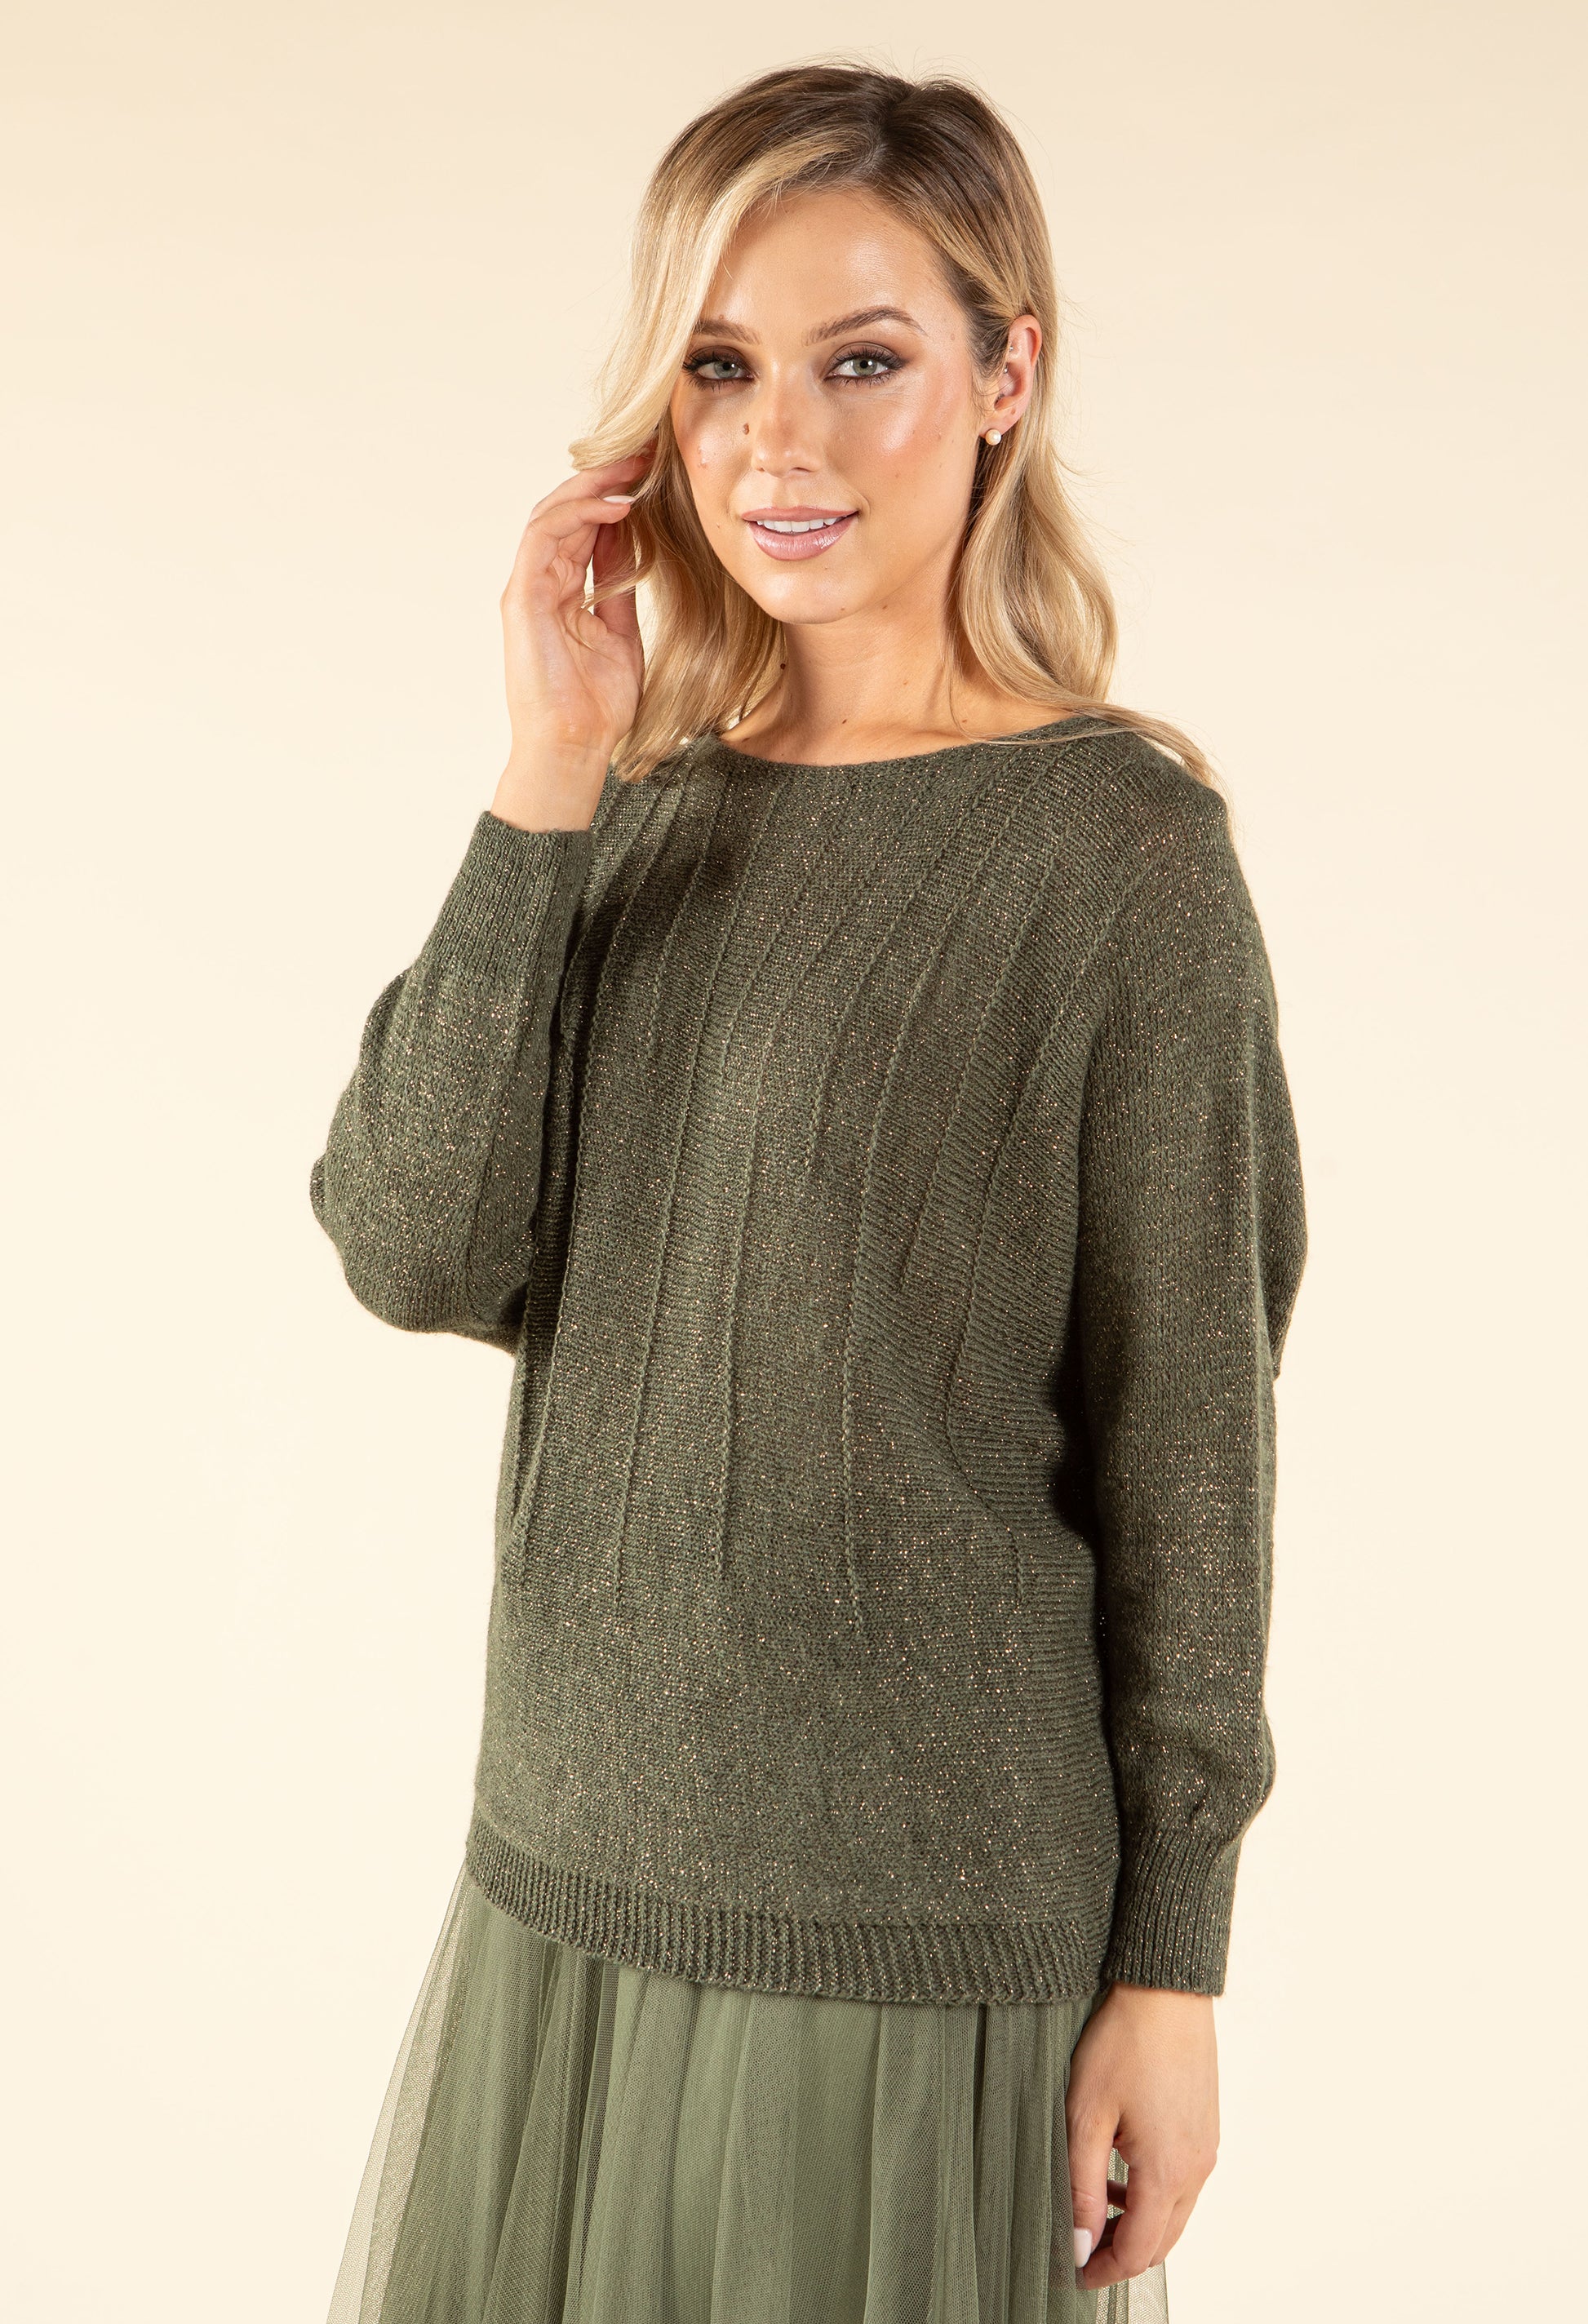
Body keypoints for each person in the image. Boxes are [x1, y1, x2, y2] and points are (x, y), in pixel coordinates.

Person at [312, 59, 1307, 2324]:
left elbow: (1192, 1448)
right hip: (565, 1887)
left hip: (915, 1935)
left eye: (863, 361)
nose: (780, 442)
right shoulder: (628, 812)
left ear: (1003, 376)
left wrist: (1175, 1966)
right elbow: (409, 1241)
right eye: (719, 367)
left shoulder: (1118, 857)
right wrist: (547, 762)